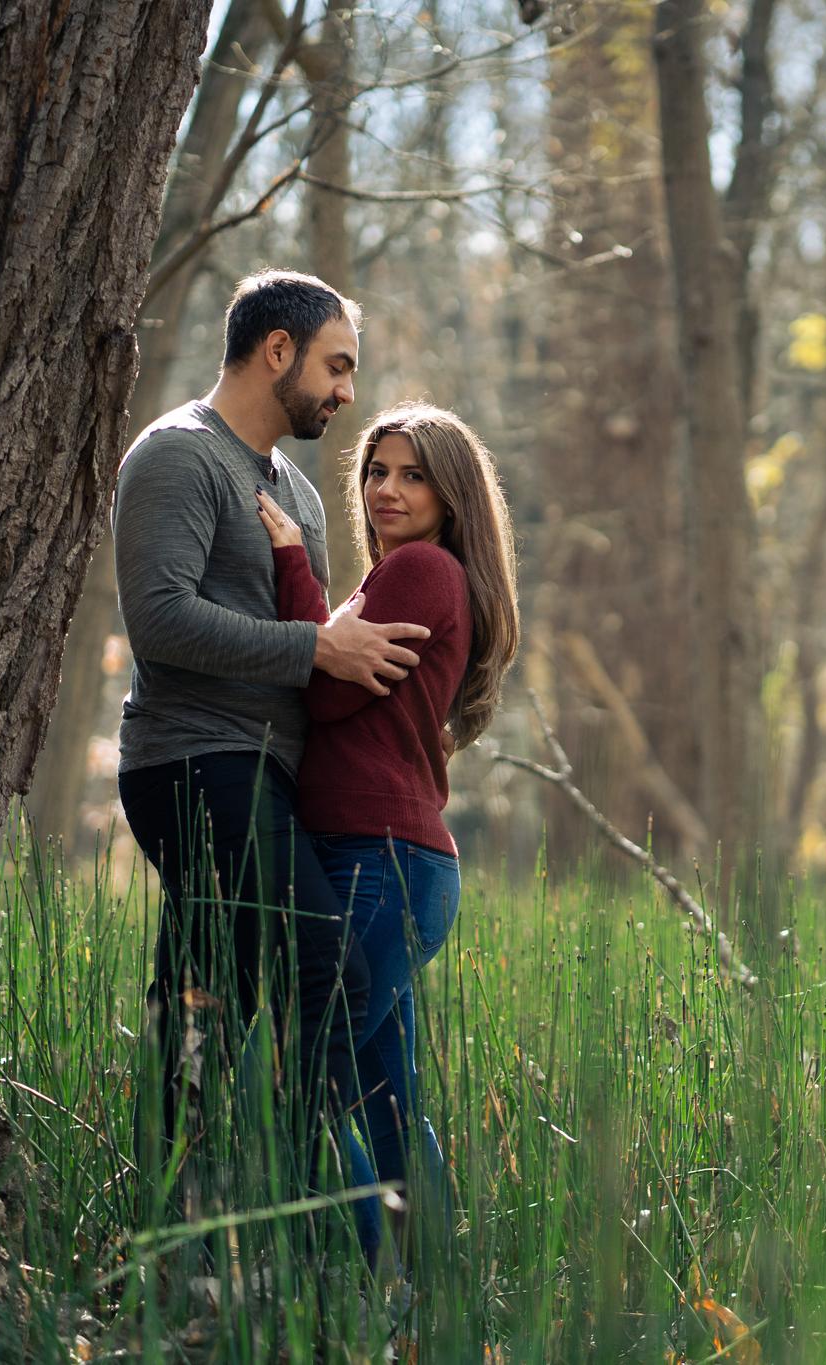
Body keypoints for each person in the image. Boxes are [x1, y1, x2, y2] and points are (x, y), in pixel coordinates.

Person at [113, 270, 430, 1216]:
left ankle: (184, 1238)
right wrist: (316, 645)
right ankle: (310, 1219)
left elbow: (311, 636)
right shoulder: (177, 455)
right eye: (336, 366)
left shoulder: (295, 485)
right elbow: (161, 618)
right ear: (278, 350)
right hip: (193, 761)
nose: (345, 392)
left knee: (200, 1006)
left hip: (268, 774)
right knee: (324, 968)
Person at [254, 401, 521, 1273]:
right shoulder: (405, 578)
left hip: (381, 863)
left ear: (452, 495)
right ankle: (440, 1308)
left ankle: (368, 1282)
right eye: (376, 471)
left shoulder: (419, 573)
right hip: (386, 860)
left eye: (412, 475)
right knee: (387, 1100)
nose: (386, 490)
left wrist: (293, 564)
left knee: (301, 1082)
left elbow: (326, 691)